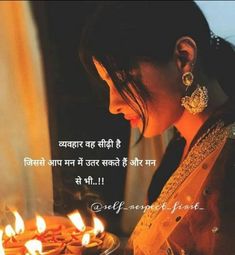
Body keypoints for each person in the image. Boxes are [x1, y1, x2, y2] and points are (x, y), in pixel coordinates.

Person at [79, 1, 235, 254]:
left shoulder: (228, 159)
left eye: (121, 79)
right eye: (108, 84)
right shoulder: (182, 144)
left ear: (184, 57)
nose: (113, 104)